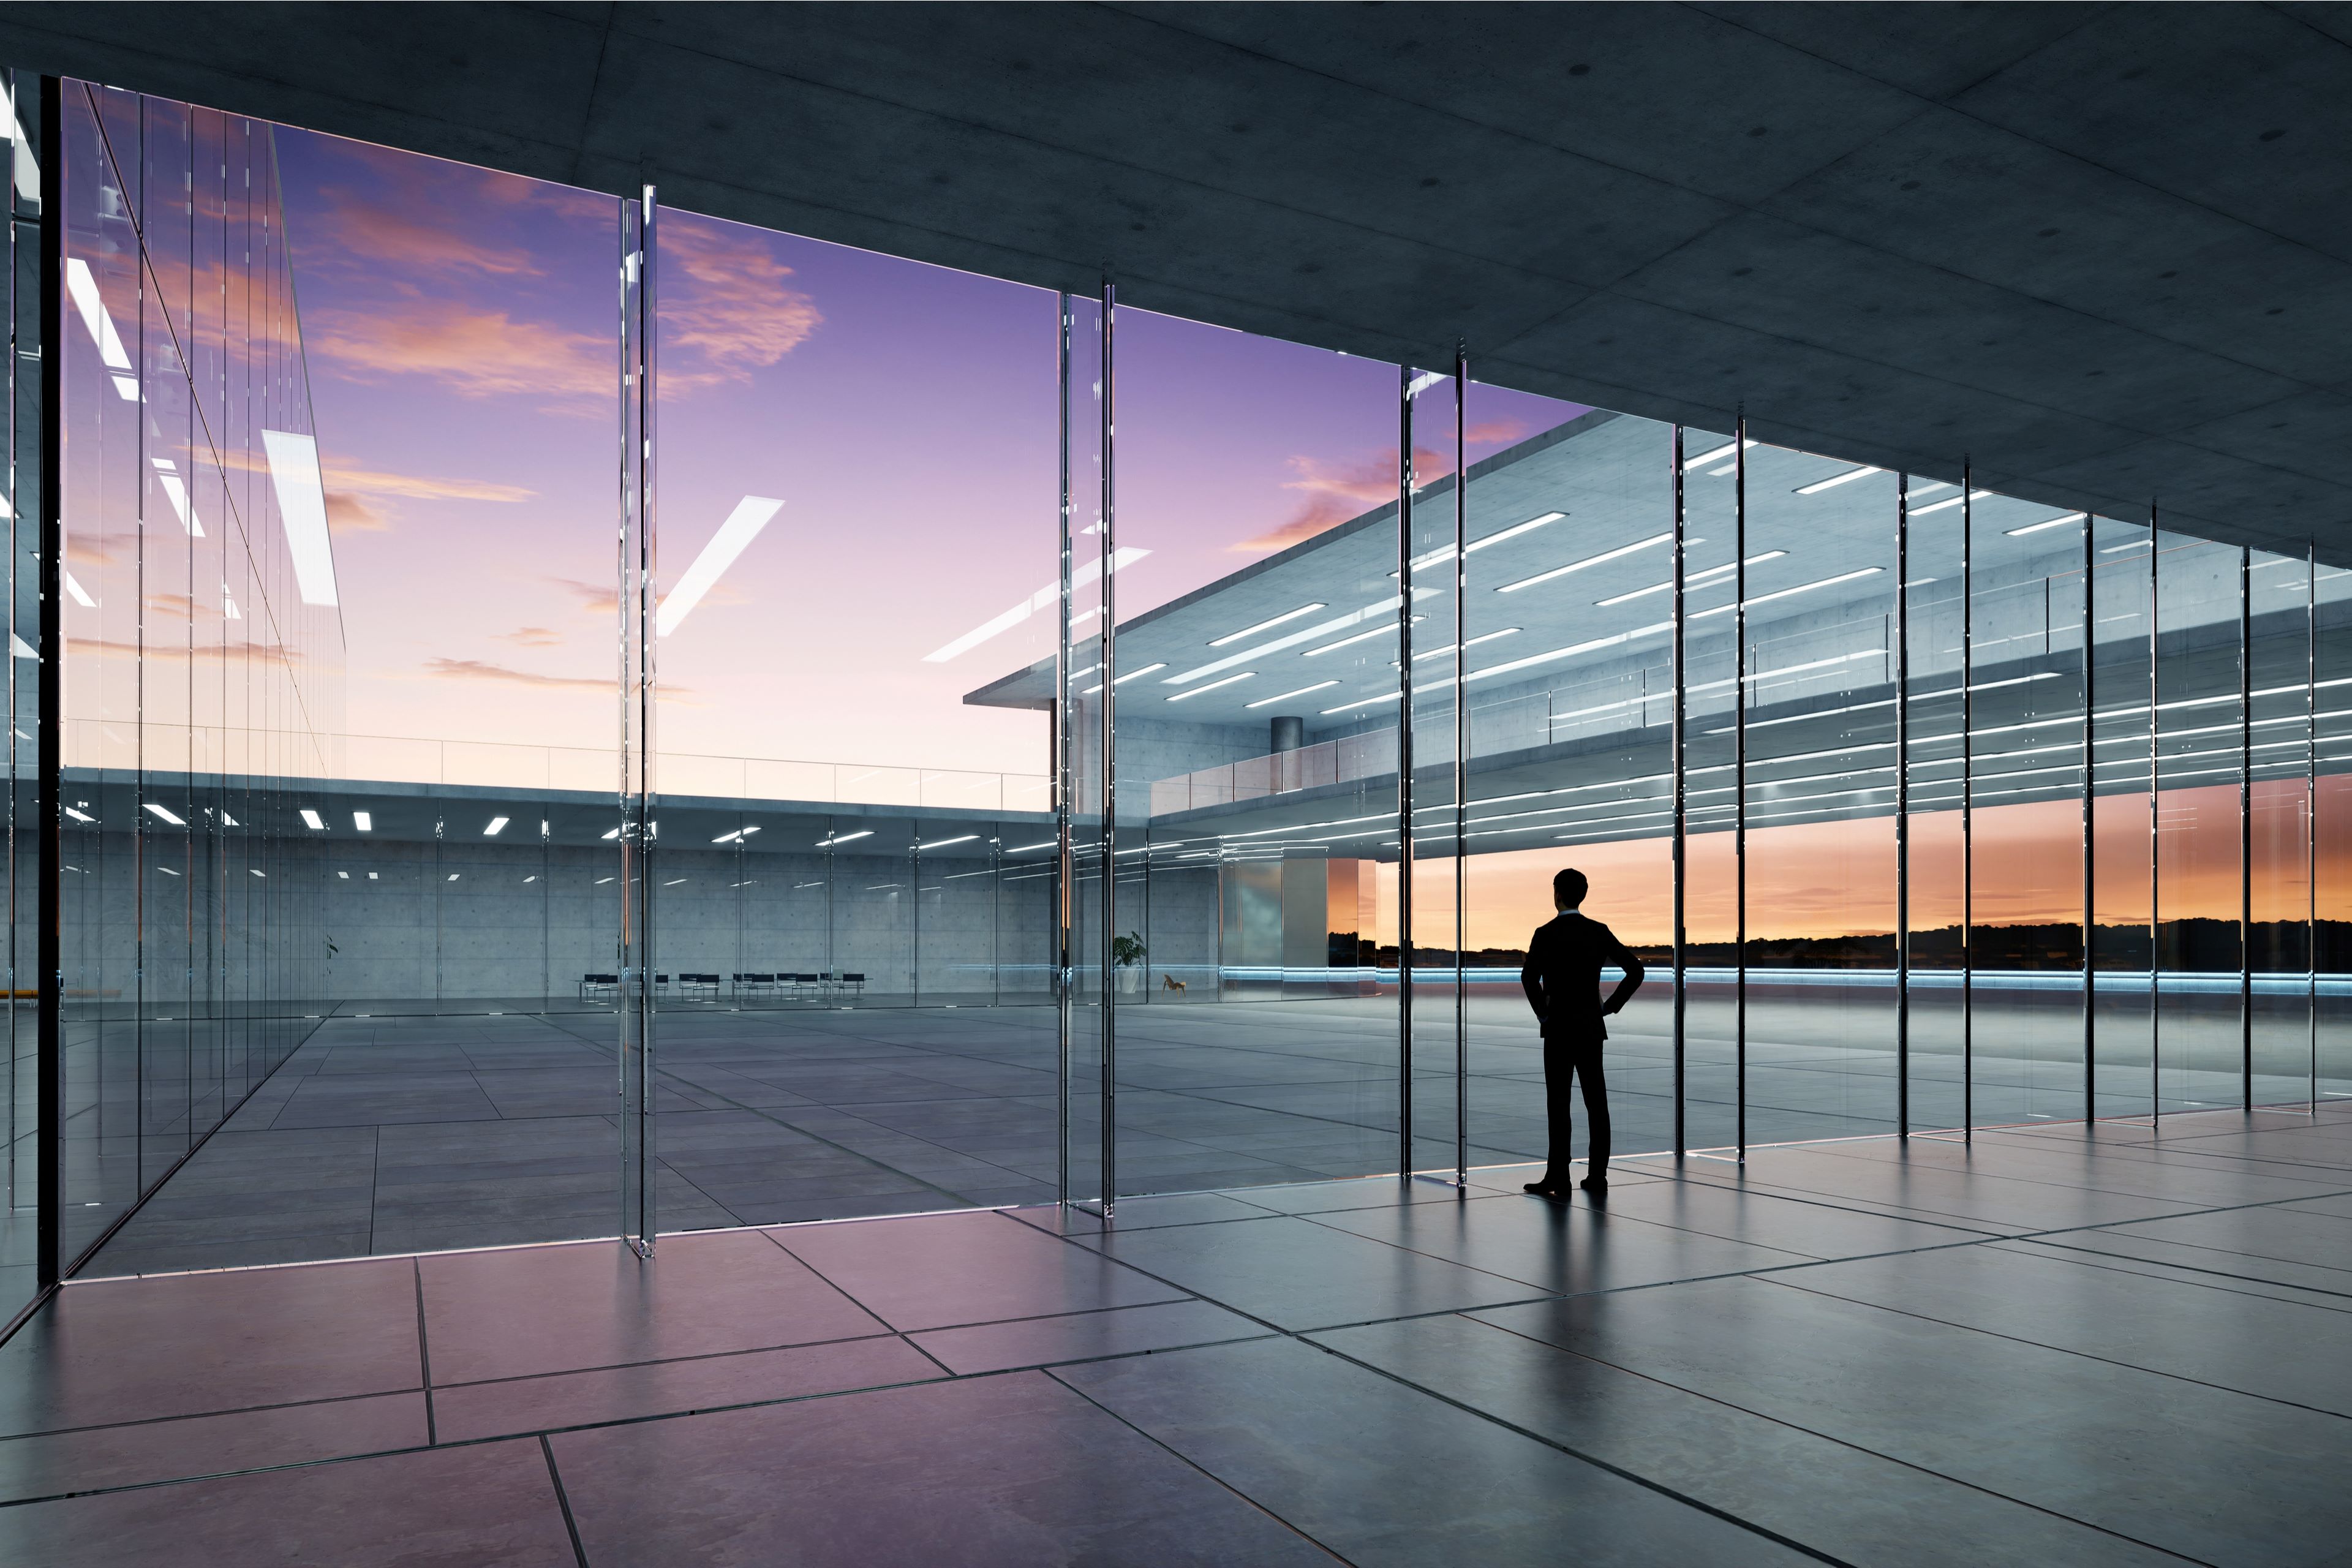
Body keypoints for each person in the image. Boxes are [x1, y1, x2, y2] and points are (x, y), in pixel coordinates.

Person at [1518, 867, 1643, 1198]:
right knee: (1596, 1104)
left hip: (1558, 1029)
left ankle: (1558, 1177)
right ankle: (1597, 1177)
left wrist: (1544, 1014)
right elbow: (1636, 970)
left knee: (1559, 1105)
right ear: (1582, 895)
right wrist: (1609, 1006)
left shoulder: (1545, 933)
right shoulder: (1598, 931)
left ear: (1557, 894)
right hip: (1590, 1028)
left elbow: (1528, 978)